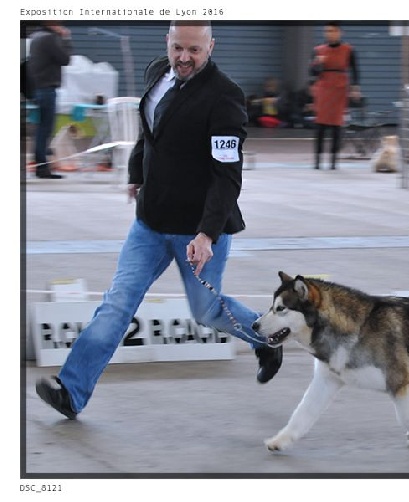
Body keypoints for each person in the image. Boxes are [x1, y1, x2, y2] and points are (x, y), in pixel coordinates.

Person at [35, 21, 283, 420]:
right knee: (117, 304)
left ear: (210, 47)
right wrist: (137, 172)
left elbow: (227, 175)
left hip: (198, 229)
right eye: (178, 48)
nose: (184, 58)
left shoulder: (225, 97)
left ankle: (266, 334)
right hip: (150, 221)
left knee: (205, 311)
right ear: (168, 43)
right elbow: (149, 132)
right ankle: (71, 391)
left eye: (195, 51)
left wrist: (207, 233)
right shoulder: (157, 72)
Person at [309, 21, 361, 170]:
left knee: (337, 125)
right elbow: (311, 73)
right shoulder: (318, 50)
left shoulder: (348, 50)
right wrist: (317, 64)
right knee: (320, 124)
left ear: (339, 32)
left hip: (340, 88)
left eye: (332, 31)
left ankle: (333, 161)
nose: (329, 34)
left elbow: (355, 70)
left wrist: (356, 88)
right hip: (323, 88)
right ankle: (317, 161)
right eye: (327, 31)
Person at [27, 21, 72, 179]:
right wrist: (65, 38)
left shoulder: (35, 37)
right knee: (45, 130)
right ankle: (42, 168)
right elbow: (65, 59)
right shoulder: (48, 38)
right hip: (47, 88)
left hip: (37, 88)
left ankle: (40, 165)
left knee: (39, 129)